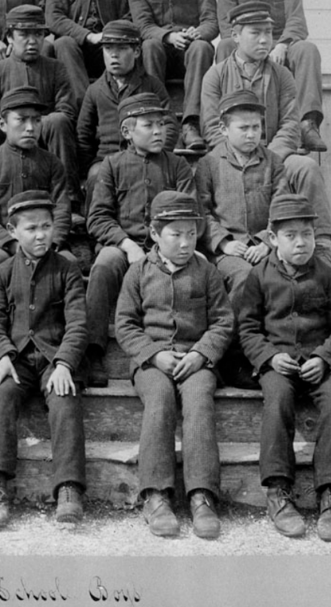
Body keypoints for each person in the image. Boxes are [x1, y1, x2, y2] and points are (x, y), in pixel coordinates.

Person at [237, 193, 331, 542]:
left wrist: (325, 358)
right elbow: (247, 328)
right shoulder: (258, 277)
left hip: (321, 365)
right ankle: (278, 492)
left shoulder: (326, 275)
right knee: (276, 400)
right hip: (279, 364)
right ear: (273, 239)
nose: (301, 242)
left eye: (307, 233)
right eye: (291, 236)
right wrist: (269, 357)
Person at [115, 191, 234, 539]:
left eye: (191, 233)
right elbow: (125, 325)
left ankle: (202, 495)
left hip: (196, 360)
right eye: (175, 234)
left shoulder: (207, 272)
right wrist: (153, 354)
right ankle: (156, 495)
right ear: (154, 234)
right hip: (152, 361)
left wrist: (201, 354)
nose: (185, 243)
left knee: (198, 400)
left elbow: (223, 322)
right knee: (160, 398)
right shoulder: (137, 273)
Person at [0, 190, 88, 527]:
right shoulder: (2, 271)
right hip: (18, 360)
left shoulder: (67, 269)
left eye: (46, 226)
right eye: (30, 228)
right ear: (12, 231)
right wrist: (2, 356)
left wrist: (65, 363)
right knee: (0, 400)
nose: (40, 235)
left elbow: (78, 323)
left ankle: (69, 488)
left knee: (65, 401)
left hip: (54, 359)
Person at [200, 1, 331, 255]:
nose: (265, 40)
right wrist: (240, 157)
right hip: (232, 158)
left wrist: (269, 159)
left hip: (275, 156)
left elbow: (290, 123)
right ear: (235, 36)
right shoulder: (216, 75)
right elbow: (211, 127)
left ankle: (320, 246)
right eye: (256, 33)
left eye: (269, 33)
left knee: (306, 167)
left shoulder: (282, 75)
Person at [85, 93, 195, 388]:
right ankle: (94, 352)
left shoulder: (178, 166)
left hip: (167, 248)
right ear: (127, 132)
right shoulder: (111, 165)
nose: (159, 131)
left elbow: (192, 213)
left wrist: (164, 247)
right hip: (125, 247)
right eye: (149, 125)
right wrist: (127, 244)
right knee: (104, 265)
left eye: (161, 124)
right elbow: (97, 219)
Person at [0, 86, 73, 385]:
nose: (30, 127)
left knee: (68, 262)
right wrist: (12, 244)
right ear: (2, 124)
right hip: (5, 243)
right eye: (21, 120)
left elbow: (62, 208)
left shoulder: (52, 163)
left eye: (36, 120)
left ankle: (71, 348)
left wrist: (53, 241)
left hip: (44, 244)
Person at [195, 89, 287, 388]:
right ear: (224, 129)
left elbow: (282, 207)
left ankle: (275, 354)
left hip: (265, 245)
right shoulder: (209, 164)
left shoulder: (273, 162)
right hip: (226, 251)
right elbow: (202, 211)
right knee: (245, 276)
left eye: (256, 127)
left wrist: (265, 241)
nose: (251, 135)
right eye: (243, 128)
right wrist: (223, 242)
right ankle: (233, 356)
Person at [215, 0, 326, 152]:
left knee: (307, 49)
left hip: (280, 45)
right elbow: (226, 25)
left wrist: (282, 44)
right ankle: (227, 118)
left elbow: (297, 19)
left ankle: (307, 123)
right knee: (224, 46)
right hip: (243, 45)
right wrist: (253, 46)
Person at [126, 0, 218, 152]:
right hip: (159, 53)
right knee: (150, 45)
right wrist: (167, 35)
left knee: (202, 47)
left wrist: (199, 33)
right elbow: (143, 25)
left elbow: (211, 19)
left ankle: (190, 124)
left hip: (191, 52)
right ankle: (165, 122)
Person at [0, 4, 80, 201]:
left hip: (44, 134)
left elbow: (67, 110)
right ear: (9, 37)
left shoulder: (56, 68)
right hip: (9, 137)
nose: (32, 41)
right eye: (24, 34)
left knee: (59, 121)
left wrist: (34, 123)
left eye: (38, 34)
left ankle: (69, 199)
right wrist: (16, 124)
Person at [76, 20, 178, 210]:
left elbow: (170, 125)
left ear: (137, 52)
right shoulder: (95, 90)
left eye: (122, 48)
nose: (114, 55)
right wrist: (87, 167)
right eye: (108, 49)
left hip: (147, 154)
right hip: (107, 157)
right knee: (96, 175)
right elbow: (84, 134)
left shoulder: (152, 86)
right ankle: (96, 230)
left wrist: (157, 152)